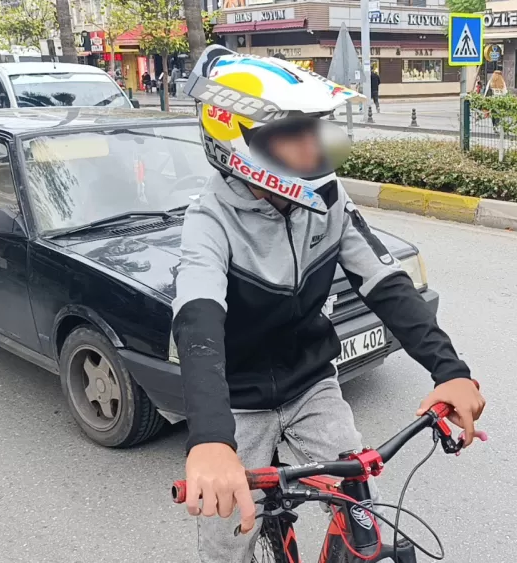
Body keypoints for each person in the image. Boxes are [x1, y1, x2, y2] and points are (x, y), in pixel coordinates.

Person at [173, 46, 486, 563]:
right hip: (237, 399)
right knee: (227, 540)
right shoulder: (208, 219)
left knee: (362, 508)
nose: (314, 145)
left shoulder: (328, 197)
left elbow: (386, 284)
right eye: (296, 132)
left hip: (310, 384)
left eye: (316, 129)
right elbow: (198, 322)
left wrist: (450, 370)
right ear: (243, 139)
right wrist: (210, 439)